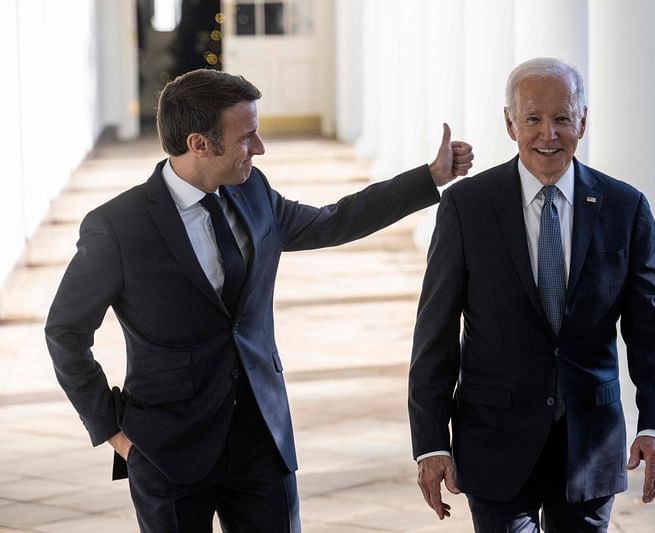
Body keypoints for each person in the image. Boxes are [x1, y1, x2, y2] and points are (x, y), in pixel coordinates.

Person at [45, 68, 473, 533]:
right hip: (168, 449)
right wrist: (112, 429)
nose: (261, 147)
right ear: (200, 144)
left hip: (261, 440)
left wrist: (430, 179)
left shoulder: (253, 191)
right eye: (247, 137)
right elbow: (66, 331)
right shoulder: (118, 227)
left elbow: (333, 221)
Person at [408, 57, 655, 532]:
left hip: (590, 442)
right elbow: (435, 333)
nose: (547, 135)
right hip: (493, 439)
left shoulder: (625, 207)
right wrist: (431, 443)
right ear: (510, 123)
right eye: (533, 119)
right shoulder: (467, 207)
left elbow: (654, 331)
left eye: (562, 119)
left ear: (583, 121)